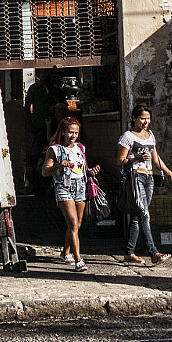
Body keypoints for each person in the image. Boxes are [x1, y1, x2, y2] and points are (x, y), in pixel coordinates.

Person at [116, 104, 172, 266]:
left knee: (138, 216)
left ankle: (129, 252)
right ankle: (153, 252)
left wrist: (169, 173)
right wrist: (136, 159)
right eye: (142, 118)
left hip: (149, 178)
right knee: (144, 214)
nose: (146, 122)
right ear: (134, 118)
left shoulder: (150, 135)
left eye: (148, 119)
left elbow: (156, 158)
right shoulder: (127, 137)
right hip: (135, 177)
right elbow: (120, 161)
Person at [41, 116, 99, 271]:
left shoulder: (81, 148)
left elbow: (82, 170)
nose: (73, 136)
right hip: (63, 188)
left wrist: (91, 172)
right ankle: (78, 259)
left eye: (76, 133)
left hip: (80, 186)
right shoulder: (54, 150)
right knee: (72, 222)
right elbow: (45, 172)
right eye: (70, 132)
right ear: (63, 132)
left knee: (77, 224)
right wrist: (58, 165)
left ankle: (65, 252)